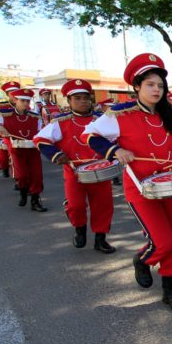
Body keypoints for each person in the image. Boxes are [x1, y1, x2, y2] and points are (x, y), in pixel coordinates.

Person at [84, 53, 172, 312]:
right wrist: (115, 151)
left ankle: (169, 290)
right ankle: (142, 259)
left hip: (171, 184)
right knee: (162, 242)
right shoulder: (119, 115)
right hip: (142, 188)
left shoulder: (170, 115)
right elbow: (90, 136)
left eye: (160, 85)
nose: (156, 89)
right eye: (150, 84)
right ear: (136, 86)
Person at [34, 79, 115, 252]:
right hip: (74, 171)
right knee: (75, 205)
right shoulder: (60, 121)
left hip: (101, 170)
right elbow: (40, 139)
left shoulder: (101, 120)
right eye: (77, 98)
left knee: (103, 205)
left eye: (86, 97)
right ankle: (80, 230)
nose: (83, 101)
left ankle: (101, 239)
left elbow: (116, 139)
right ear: (69, 101)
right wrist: (56, 155)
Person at [0, 87, 47, 211]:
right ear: (16, 100)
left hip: (33, 149)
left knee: (37, 175)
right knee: (22, 175)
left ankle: (35, 200)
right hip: (16, 148)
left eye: (27, 101)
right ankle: (23, 192)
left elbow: (41, 132)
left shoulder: (35, 117)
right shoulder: (5, 115)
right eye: (22, 101)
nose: (25, 104)